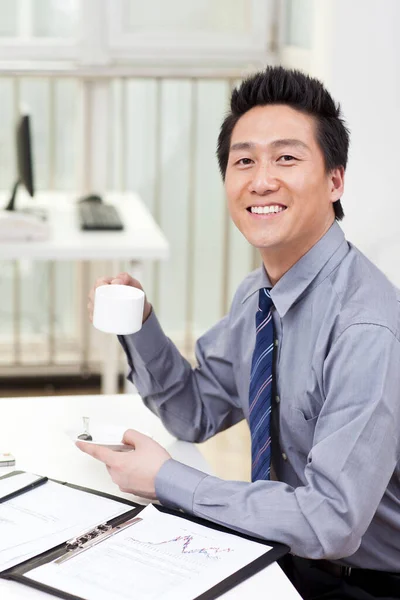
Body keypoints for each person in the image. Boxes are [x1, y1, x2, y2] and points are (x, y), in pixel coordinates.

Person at [79, 66, 400, 600]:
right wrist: (140, 325)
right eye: (244, 160)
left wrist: (168, 481)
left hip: (363, 583)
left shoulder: (366, 327)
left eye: (287, 158)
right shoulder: (259, 295)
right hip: (280, 549)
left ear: (335, 180)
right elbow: (194, 413)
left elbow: (332, 522)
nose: (261, 179)